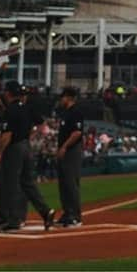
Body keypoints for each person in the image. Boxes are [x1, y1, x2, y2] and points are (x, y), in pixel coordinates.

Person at [0, 81, 56, 231]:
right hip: (26, 146)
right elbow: (41, 125)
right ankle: (45, 211)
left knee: (12, 184)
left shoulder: (11, 110)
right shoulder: (26, 108)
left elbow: (7, 134)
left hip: (14, 148)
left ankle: (14, 219)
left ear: (8, 94)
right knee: (28, 183)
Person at [55, 86, 84, 227]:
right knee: (64, 183)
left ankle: (75, 216)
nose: (61, 99)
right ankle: (67, 213)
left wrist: (65, 147)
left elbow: (77, 133)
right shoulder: (65, 113)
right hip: (65, 150)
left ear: (68, 97)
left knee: (71, 183)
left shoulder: (76, 112)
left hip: (72, 150)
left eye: (63, 97)